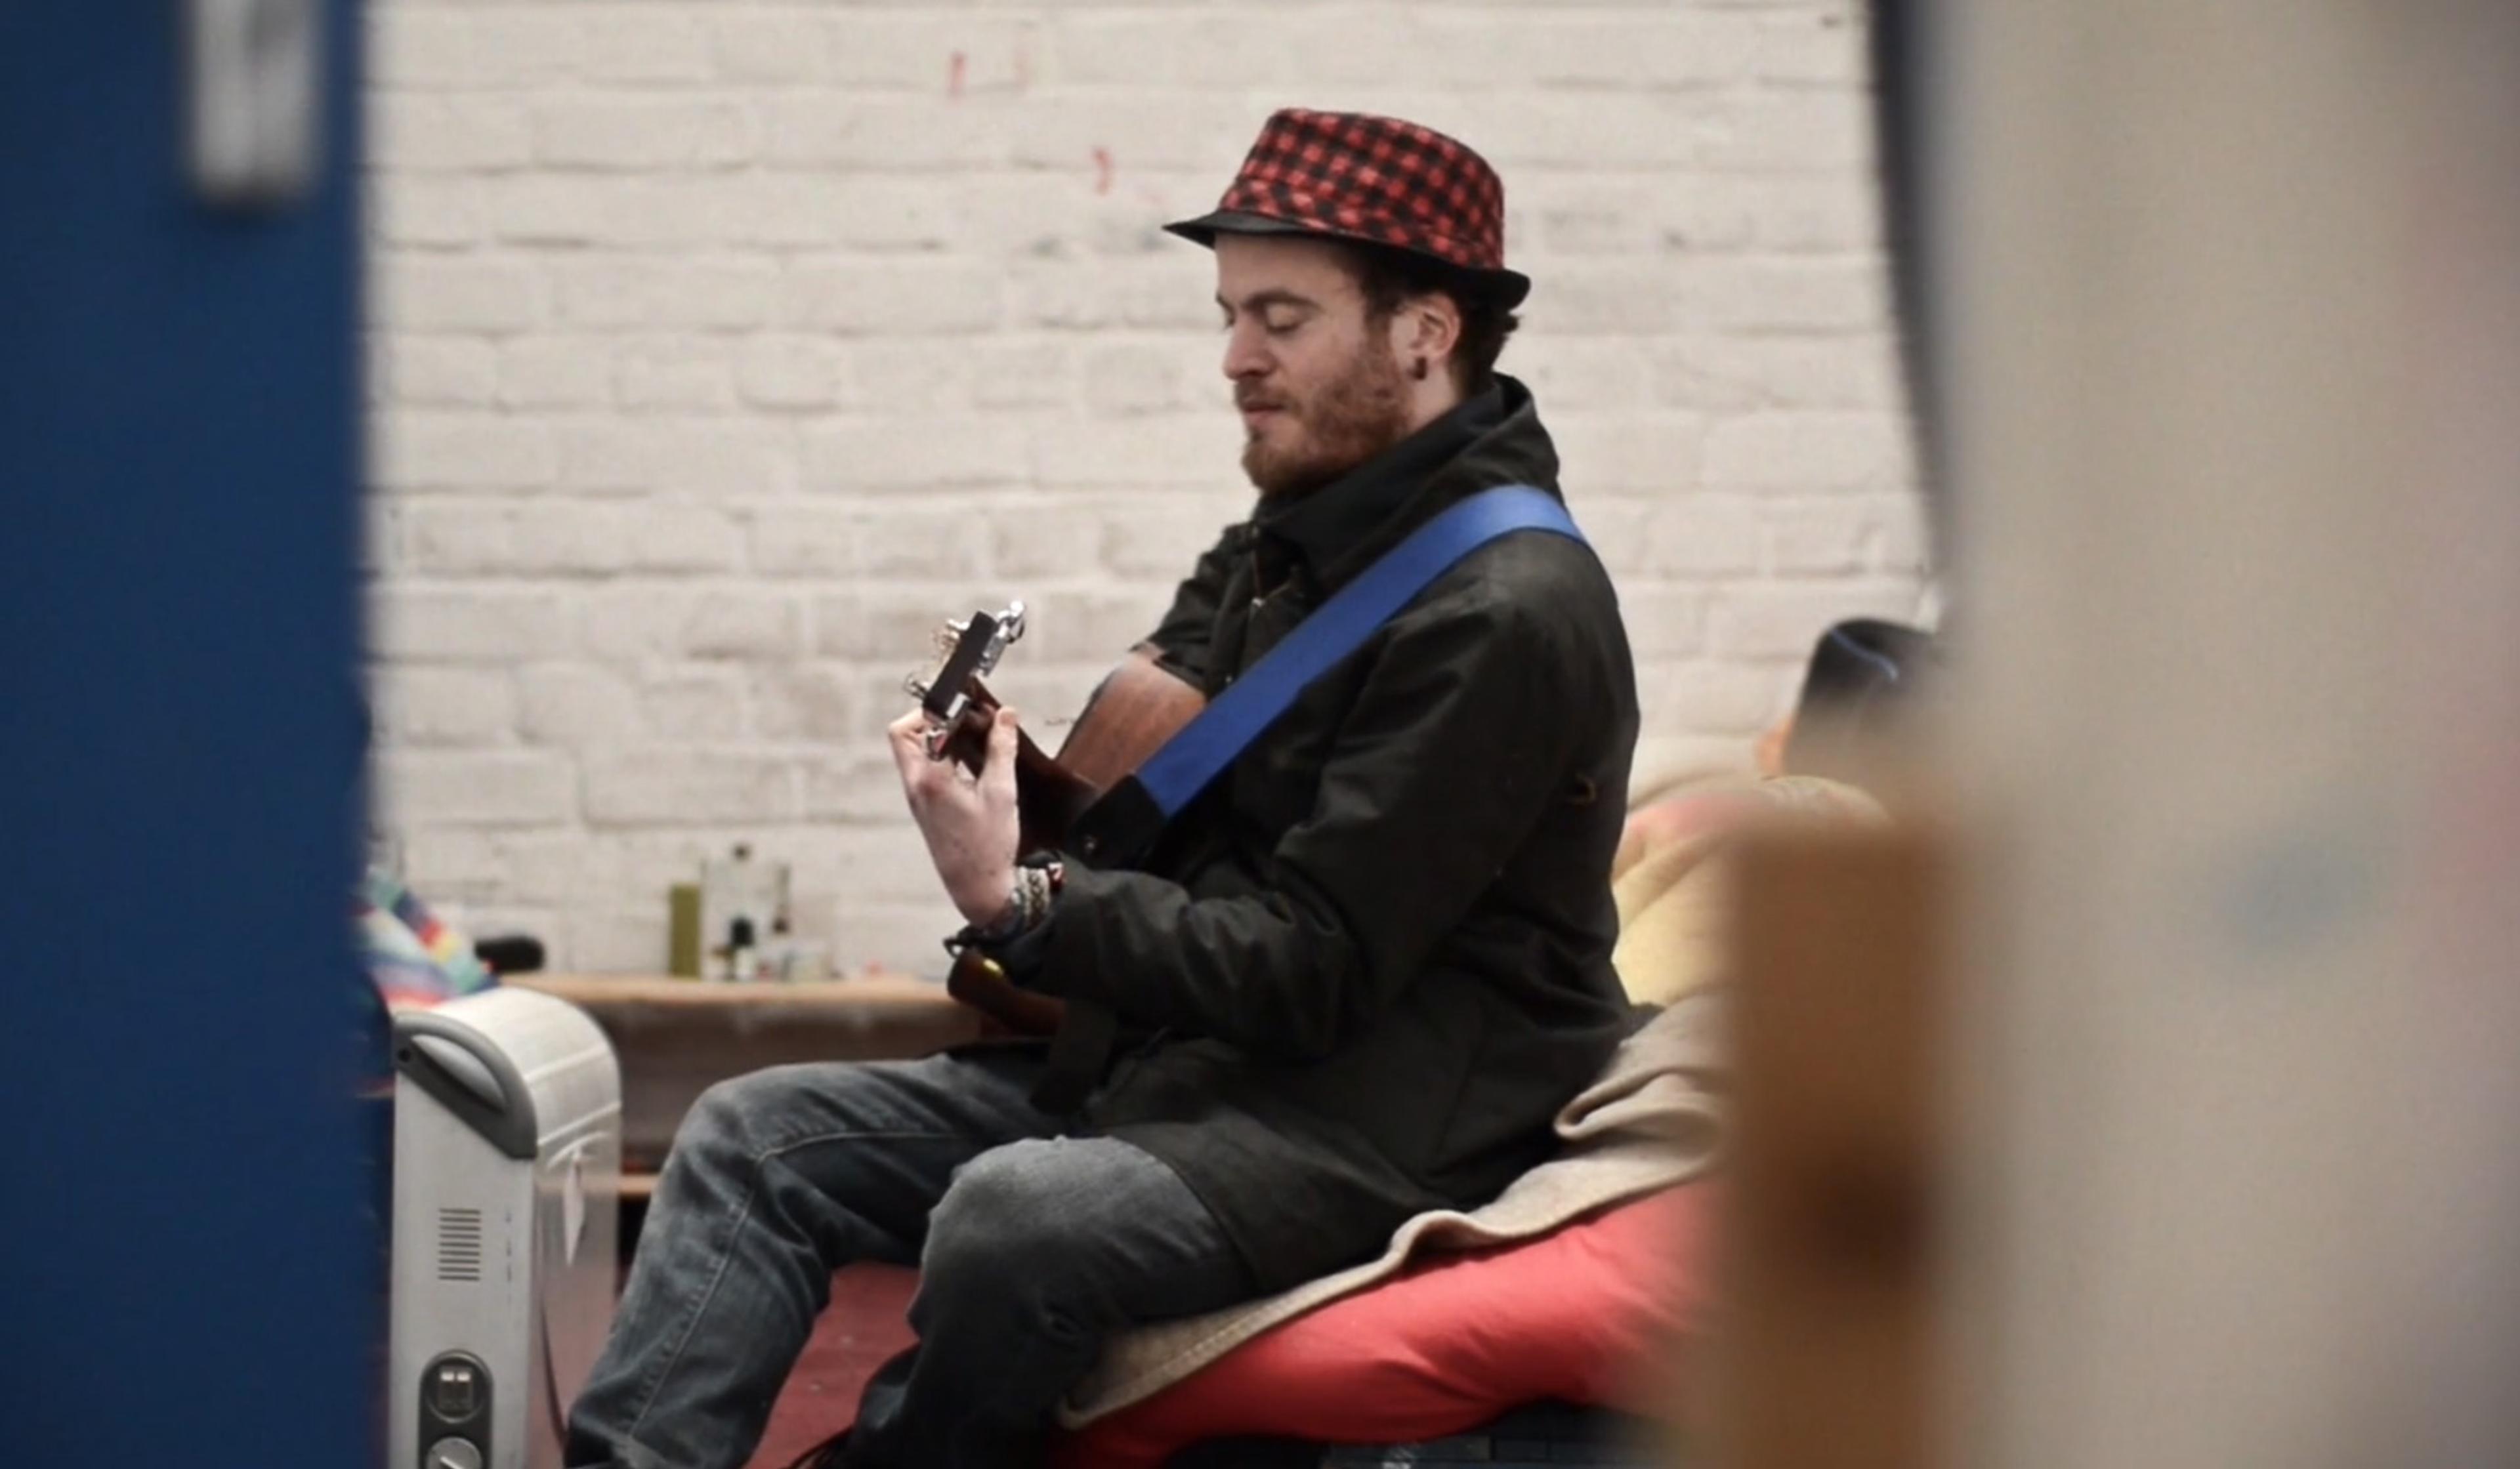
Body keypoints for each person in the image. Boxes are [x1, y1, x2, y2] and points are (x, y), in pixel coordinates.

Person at [564, 108, 1641, 1469]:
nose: (1237, 357)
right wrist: (1013, 801)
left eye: (1283, 316)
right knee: (750, 1135)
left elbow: (1315, 962)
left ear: (1425, 332)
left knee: (1021, 1216)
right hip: (1196, 1070)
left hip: (1373, 1123)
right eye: (1231, 312)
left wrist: (1020, 901)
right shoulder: (1292, 537)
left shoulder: (1506, 610)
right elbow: (1167, 806)